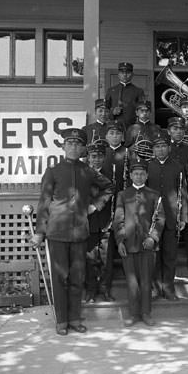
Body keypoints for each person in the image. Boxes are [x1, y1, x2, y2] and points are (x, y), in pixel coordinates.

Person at [30, 128, 114, 336]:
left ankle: (75, 318)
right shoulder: (53, 171)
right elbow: (44, 203)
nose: (74, 147)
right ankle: (62, 321)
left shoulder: (88, 171)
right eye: (70, 143)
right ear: (63, 146)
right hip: (57, 232)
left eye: (78, 144)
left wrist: (95, 206)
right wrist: (40, 231)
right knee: (60, 278)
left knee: (77, 277)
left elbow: (109, 187)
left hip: (79, 233)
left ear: (83, 148)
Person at [114, 161, 165, 327]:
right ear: (130, 176)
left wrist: (153, 237)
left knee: (145, 280)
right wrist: (120, 240)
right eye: (135, 174)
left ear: (147, 176)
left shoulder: (154, 195)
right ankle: (133, 314)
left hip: (147, 244)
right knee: (132, 282)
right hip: (128, 244)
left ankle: (146, 313)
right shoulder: (123, 195)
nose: (139, 176)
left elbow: (160, 218)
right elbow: (119, 219)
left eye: (142, 174)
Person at [147, 133, 188, 300]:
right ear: (153, 150)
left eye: (163, 146)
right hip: (153, 220)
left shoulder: (177, 166)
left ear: (169, 148)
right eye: (157, 147)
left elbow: (183, 192)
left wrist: (184, 216)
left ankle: (169, 288)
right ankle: (156, 288)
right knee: (154, 256)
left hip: (172, 217)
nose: (160, 149)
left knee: (170, 255)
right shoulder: (147, 166)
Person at [100, 121, 128, 302]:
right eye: (111, 133)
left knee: (128, 247)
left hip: (124, 208)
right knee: (106, 253)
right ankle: (105, 289)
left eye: (118, 133)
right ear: (106, 135)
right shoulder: (100, 154)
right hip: (103, 210)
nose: (115, 136)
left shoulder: (129, 153)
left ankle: (134, 288)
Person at [84, 139, 112, 303]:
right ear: (88, 157)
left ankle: (105, 290)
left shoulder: (110, 173)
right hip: (87, 223)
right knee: (90, 260)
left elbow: (113, 192)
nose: (96, 160)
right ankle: (91, 291)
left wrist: (95, 206)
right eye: (93, 156)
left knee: (106, 260)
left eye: (100, 156)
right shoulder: (82, 173)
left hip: (106, 221)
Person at [105, 61, 145, 128]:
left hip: (132, 126)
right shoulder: (111, 90)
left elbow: (143, 110)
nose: (125, 75)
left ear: (132, 74)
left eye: (128, 72)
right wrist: (112, 112)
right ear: (118, 74)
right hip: (114, 127)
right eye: (122, 72)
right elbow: (105, 110)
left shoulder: (138, 91)